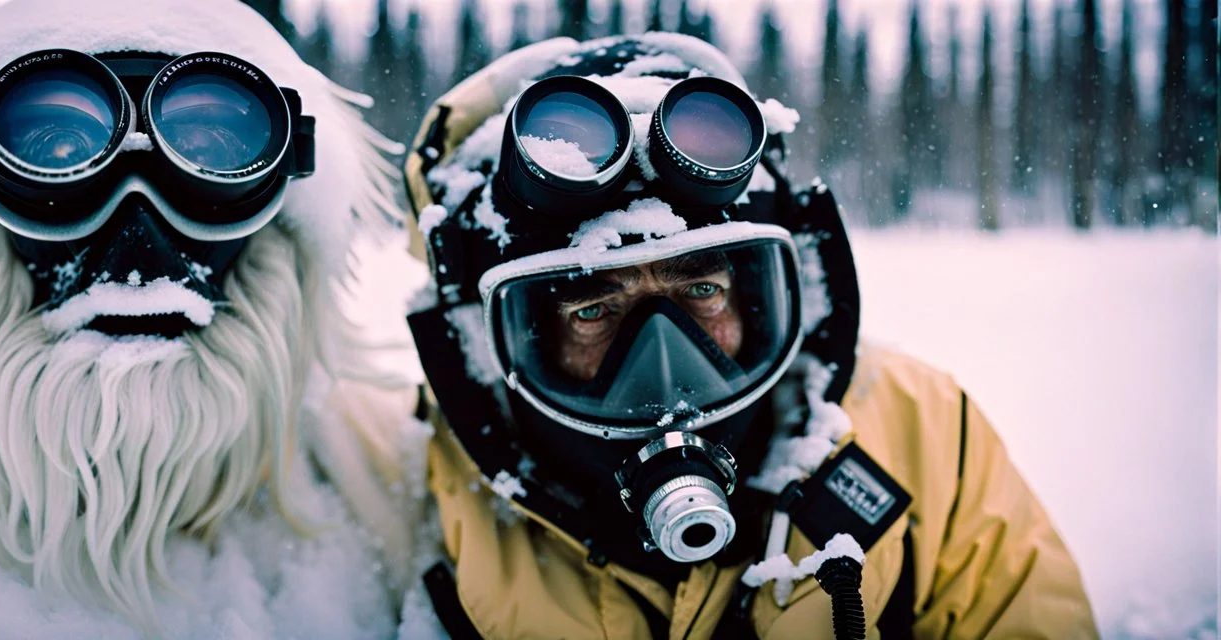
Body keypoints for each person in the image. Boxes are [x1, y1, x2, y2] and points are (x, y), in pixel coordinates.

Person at [0, 0, 430, 636]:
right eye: (54, 147)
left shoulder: (396, 490)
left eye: (213, 148)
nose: (139, 231)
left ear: (281, 195)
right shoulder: (383, 513)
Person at [402, 33, 1097, 639]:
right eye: (592, 311)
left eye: (701, 291)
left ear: (766, 299)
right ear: (497, 340)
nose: (662, 361)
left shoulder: (923, 435)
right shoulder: (405, 480)